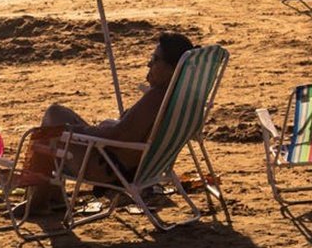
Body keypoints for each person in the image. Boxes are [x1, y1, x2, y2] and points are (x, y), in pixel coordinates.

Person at [27, 32, 196, 210]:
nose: (149, 63)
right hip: (138, 166)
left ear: (172, 68)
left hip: (109, 169)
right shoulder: (181, 96)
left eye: (155, 59)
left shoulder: (158, 97)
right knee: (60, 115)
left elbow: (120, 134)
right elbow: (130, 131)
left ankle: (39, 201)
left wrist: (78, 131)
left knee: (53, 119)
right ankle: (51, 198)